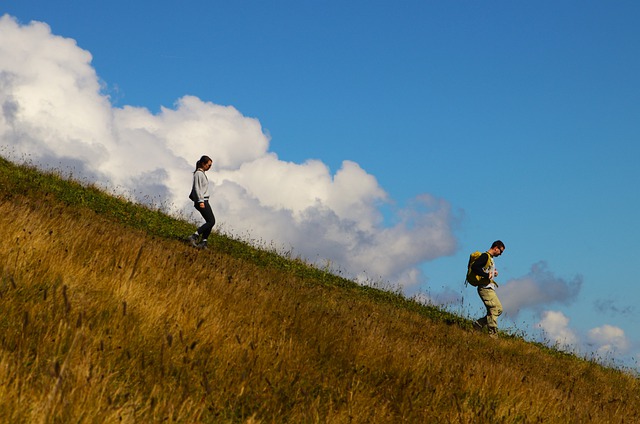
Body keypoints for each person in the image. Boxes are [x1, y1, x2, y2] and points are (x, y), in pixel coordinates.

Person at [470, 240, 505, 338]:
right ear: (496, 248)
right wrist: (486, 275)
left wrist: (493, 272)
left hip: (488, 288)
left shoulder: (490, 258)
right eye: (500, 251)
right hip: (485, 288)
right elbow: (475, 267)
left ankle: (478, 325)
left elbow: (484, 269)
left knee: (498, 310)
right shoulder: (485, 256)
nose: (501, 254)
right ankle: (493, 336)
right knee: (495, 309)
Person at [187, 155, 215, 249]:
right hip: (202, 201)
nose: (209, 167)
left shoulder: (202, 173)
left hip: (204, 200)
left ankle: (204, 241)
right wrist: (200, 201)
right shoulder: (199, 173)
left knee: (210, 221)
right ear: (203, 163)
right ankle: (194, 236)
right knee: (211, 221)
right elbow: (197, 188)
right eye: (209, 165)